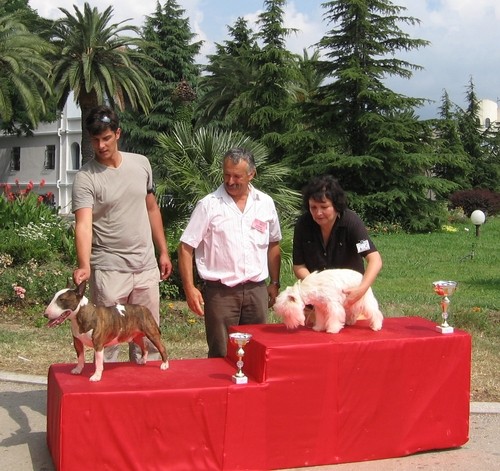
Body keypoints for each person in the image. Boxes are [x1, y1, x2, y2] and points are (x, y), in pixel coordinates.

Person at [72, 105, 172, 362]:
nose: (101, 145)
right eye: (95, 140)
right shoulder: (86, 177)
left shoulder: (142, 164)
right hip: (110, 270)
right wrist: (84, 265)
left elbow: (151, 208)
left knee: (145, 339)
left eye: (106, 138)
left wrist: (163, 251)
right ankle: (107, 398)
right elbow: (83, 224)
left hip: (145, 267)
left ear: (118, 133)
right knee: (107, 341)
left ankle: (143, 396)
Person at [178, 147, 282, 358]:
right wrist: (189, 288)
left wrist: (275, 282)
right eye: (226, 174)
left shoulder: (266, 203)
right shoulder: (208, 205)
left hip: (256, 292)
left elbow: (274, 243)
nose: (230, 181)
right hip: (221, 294)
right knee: (221, 355)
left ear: (251, 174)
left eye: (237, 176)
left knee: (257, 355)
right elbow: (185, 247)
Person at [293, 174, 382, 308]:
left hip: (350, 300)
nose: (318, 213)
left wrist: (361, 290)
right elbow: (299, 266)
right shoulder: (303, 224)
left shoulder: (351, 223)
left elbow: (374, 259)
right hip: (316, 303)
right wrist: (318, 287)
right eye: (313, 207)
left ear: (337, 205)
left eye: (324, 207)